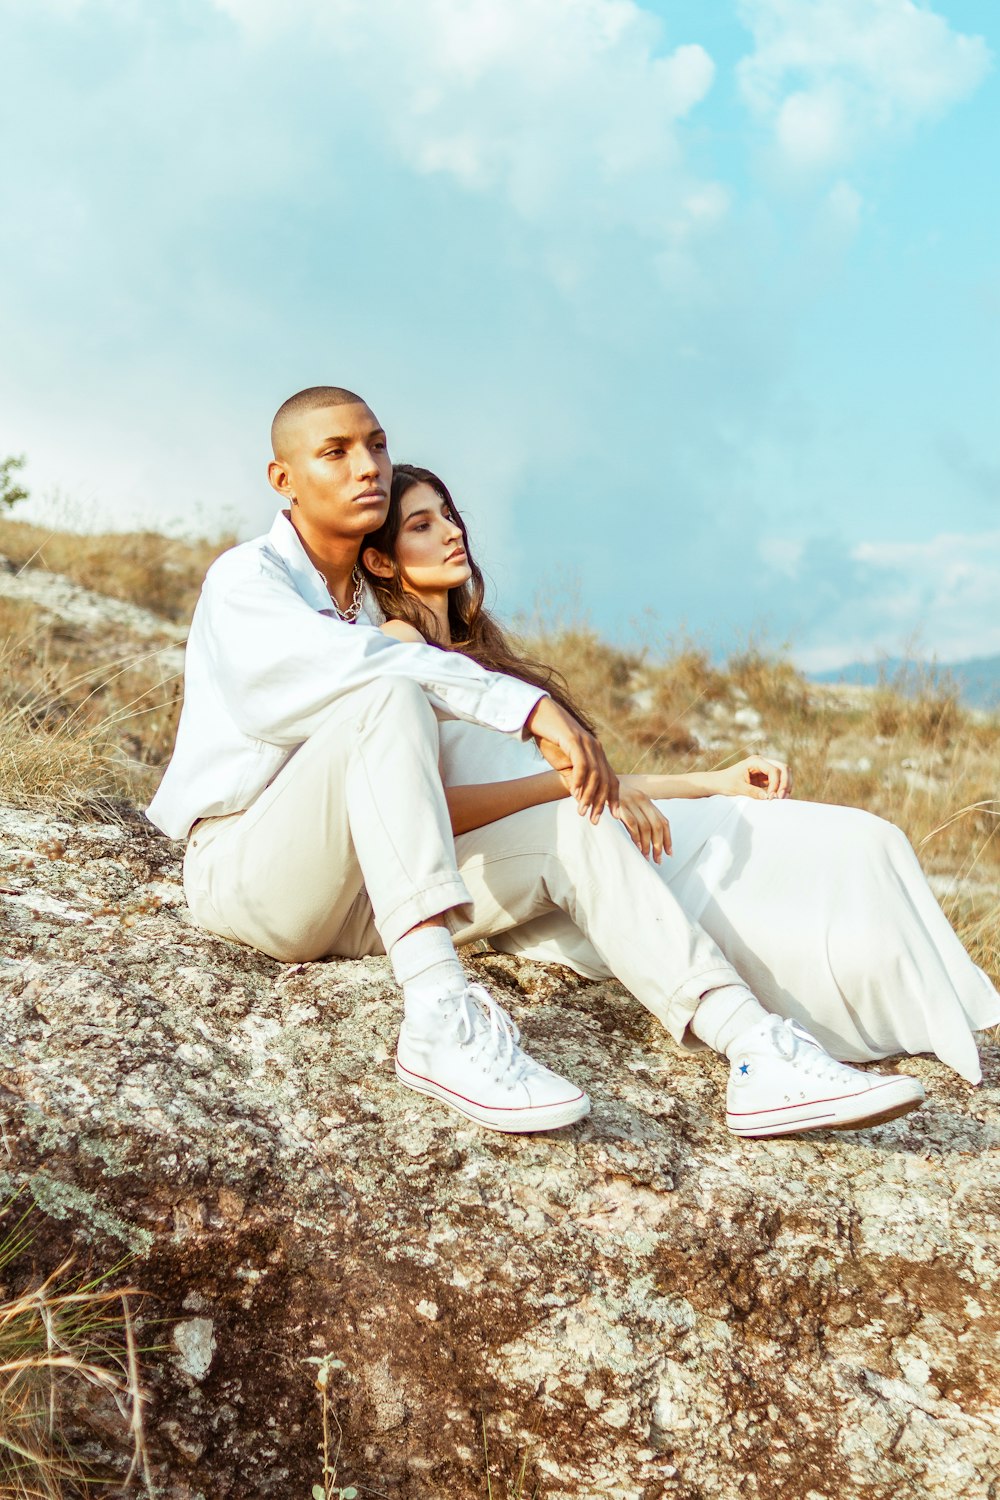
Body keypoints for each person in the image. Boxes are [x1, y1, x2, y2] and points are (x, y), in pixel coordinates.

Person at [146, 385, 928, 1145]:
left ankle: (754, 1049)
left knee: (571, 823)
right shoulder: (249, 579)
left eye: (377, 445)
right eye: (336, 451)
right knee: (386, 692)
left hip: (364, 898)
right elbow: (326, 679)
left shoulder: (370, 605)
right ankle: (440, 1016)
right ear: (283, 479)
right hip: (247, 875)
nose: (367, 467)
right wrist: (528, 708)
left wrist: (679, 781)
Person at [359, 461, 1000, 1094]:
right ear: (383, 562)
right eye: (422, 524)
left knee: (865, 838)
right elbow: (429, 810)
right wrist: (574, 788)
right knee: (775, 914)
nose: (451, 533)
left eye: (450, 515)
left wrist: (713, 782)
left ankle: (952, 1008)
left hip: (579, 820)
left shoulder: (477, 656)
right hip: (532, 865)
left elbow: (590, 778)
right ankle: (801, 1040)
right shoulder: (395, 651)